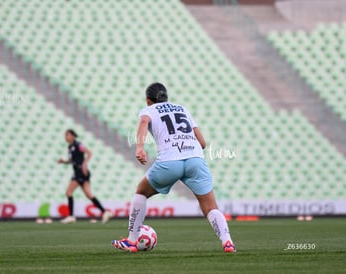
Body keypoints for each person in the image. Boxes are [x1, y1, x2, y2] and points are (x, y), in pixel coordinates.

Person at [111, 83, 235, 253]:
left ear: (148, 100)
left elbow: (143, 122)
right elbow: (203, 143)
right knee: (210, 207)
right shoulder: (182, 109)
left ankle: (132, 241)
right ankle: (227, 242)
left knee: (141, 192)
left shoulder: (149, 110)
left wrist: (139, 147)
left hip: (170, 161)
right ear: (166, 97)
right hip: (195, 160)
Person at [58, 129, 112, 224]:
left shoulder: (78, 145)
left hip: (80, 172)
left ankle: (71, 216)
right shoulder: (70, 147)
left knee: (69, 192)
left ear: (73, 136)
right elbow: (72, 160)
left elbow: (89, 153)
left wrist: (84, 164)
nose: (66, 137)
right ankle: (105, 212)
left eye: (68, 135)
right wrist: (64, 161)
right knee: (88, 194)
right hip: (78, 172)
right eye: (65, 135)